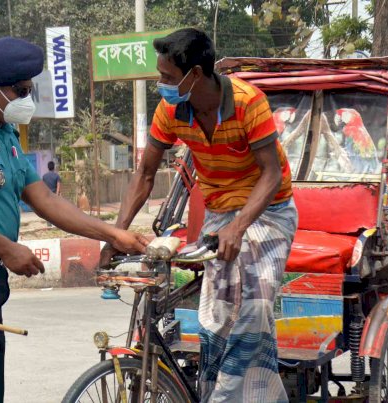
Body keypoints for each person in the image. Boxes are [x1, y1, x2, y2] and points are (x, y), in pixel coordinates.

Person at [0, 36, 148, 403]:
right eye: (20, 90)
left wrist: (112, 233)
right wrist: (8, 249)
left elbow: (42, 198)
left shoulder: (2, 131)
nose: (27, 98)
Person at [100, 28, 297, 402]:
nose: (162, 85)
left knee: (253, 309)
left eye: (167, 78)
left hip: (268, 213)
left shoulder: (247, 102)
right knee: (217, 317)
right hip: (220, 214)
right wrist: (115, 234)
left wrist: (239, 227)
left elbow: (271, 175)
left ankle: (223, 398)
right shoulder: (171, 109)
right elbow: (143, 175)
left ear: (196, 74)